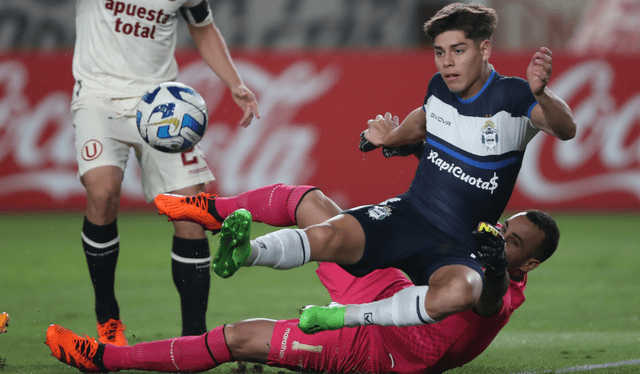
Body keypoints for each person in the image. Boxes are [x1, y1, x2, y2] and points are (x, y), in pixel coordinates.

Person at [198, 2, 576, 333]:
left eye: (458, 51)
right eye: (440, 52)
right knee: (329, 236)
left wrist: (543, 93)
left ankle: (342, 316)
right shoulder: (439, 86)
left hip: (459, 243)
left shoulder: (512, 97)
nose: (447, 62)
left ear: (485, 49)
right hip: (409, 215)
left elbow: (566, 128)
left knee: (463, 291)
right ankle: (243, 253)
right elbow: (425, 118)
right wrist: (392, 137)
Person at [45, 183, 561, 373]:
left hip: (382, 349)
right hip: (389, 290)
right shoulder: (480, 244)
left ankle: (108, 360)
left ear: (529, 265)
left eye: (512, 244)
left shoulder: (502, 290)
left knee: (238, 337)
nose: (499, 239)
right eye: (503, 228)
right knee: (314, 205)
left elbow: (487, 298)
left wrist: (493, 265)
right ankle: (213, 211)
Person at [72, 0, 260, 344]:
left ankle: (193, 339)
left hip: (162, 103)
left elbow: (203, 28)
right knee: (102, 191)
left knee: (191, 214)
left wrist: (234, 83)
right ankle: (107, 317)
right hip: (98, 97)